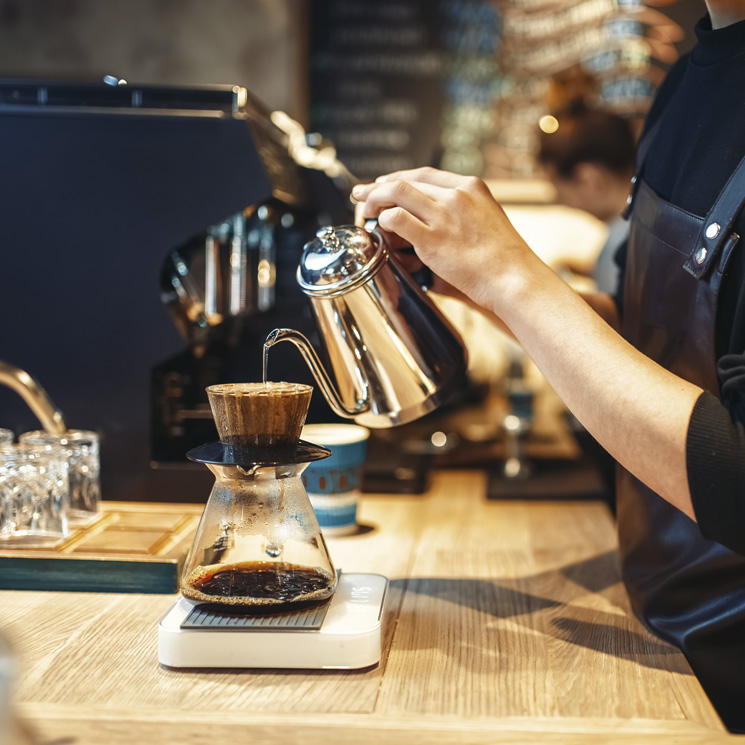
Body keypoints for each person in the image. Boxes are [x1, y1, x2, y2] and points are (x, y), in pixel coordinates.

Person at [351, 2, 745, 732]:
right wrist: (470, 277)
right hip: (653, 621)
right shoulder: (688, 81)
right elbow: (648, 338)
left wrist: (513, 278)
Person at [536, 101, 636, 294]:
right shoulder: (652, 224)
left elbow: (614, 321)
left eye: (559, 190)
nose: (564, 203)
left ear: (590, 179)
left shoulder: (620, 247)